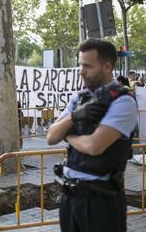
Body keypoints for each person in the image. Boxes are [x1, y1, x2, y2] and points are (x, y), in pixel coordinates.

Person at [47, 39, 137, 232]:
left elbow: (94, 146)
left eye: (87, 66)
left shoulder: (123, 101)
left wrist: (68, 135)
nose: (81, 70)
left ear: (106, 66)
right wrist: (74, 116)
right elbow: (51, 136)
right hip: (70, 196)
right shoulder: (79, 97)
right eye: (80, 64)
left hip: (101, 199)